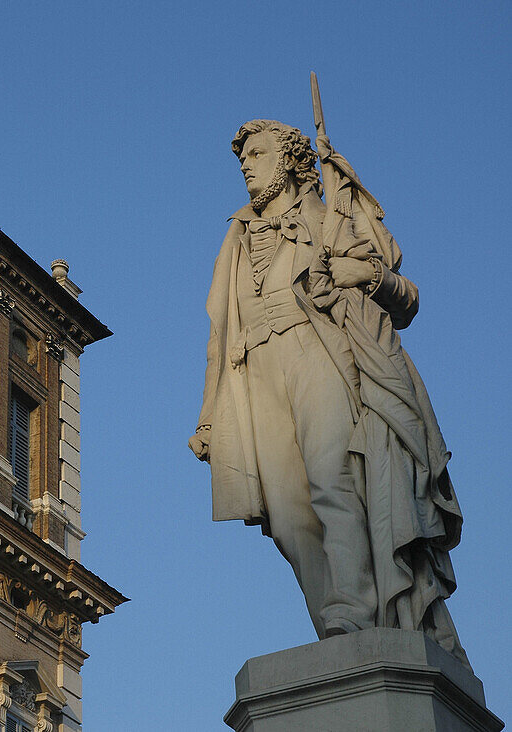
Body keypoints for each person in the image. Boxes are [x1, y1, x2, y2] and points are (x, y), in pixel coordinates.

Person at [190, 119, 468, 665]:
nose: (246, 164)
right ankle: (334, 625)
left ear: (291, 160)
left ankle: (354, 608)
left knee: (331, 480)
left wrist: (355, 273)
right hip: (256, 368)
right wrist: (208, 414)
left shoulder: (330, 217)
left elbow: (404, 297)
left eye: (258, 153)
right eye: (241, 157)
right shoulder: (237, 237)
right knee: (288, 515)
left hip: (318, 352)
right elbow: (218, 335)